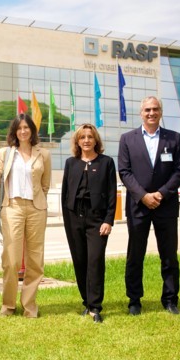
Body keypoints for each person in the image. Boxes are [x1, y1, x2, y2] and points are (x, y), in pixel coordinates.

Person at [118, 96, 180, 316]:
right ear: (141, 113)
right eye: (147, 109)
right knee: (135, 255)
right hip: (138, 206)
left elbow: (179, 171)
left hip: (165, 206)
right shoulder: (127, 139)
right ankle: (134, 301)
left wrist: (161, 194)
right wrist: (143, 196)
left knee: (168, 256)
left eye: (155, 109)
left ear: (161, 112)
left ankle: (170, 299)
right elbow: (125, 172)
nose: (151, 113)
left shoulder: (173, 138)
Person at [0, 113, 52, 318]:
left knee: (35, 259)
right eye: (19, 128)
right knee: (11, 259)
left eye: (27, 127)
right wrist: (0, 207)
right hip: (13, 207)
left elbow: (45, 184)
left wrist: (39, 202)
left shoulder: (42, 154)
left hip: (37, 208)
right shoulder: (5, 153)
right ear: (14, 131)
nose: (23, 131)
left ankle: (29, 306)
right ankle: (7, 305)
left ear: (32, 130)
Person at [61, 123, 117, 323]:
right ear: (77, 141)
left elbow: (112, 194)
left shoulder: (106, 163)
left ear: (96, 141)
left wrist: (108, 220)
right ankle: (86, 302)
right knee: (80, 261)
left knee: (95, 261)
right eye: (82, 137)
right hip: (74, 218)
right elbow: (65, 195)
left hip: (97, 220)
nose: (86, 140)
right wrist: (67, 221)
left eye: (90, 137)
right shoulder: (71, 163)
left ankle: (95, 306)